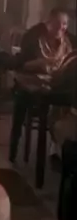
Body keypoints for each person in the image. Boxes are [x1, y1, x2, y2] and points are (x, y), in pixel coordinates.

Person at [14, 8, 76, 163]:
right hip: (34, 84)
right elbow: (22, 64)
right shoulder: (34, 38)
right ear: (48, 23)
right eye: (57, 23)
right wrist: (41, 62)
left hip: (60, 85)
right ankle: (57, 147)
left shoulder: (71, 41)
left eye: (64, 24)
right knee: (49, 105)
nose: (61, 27)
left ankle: (60, 148)